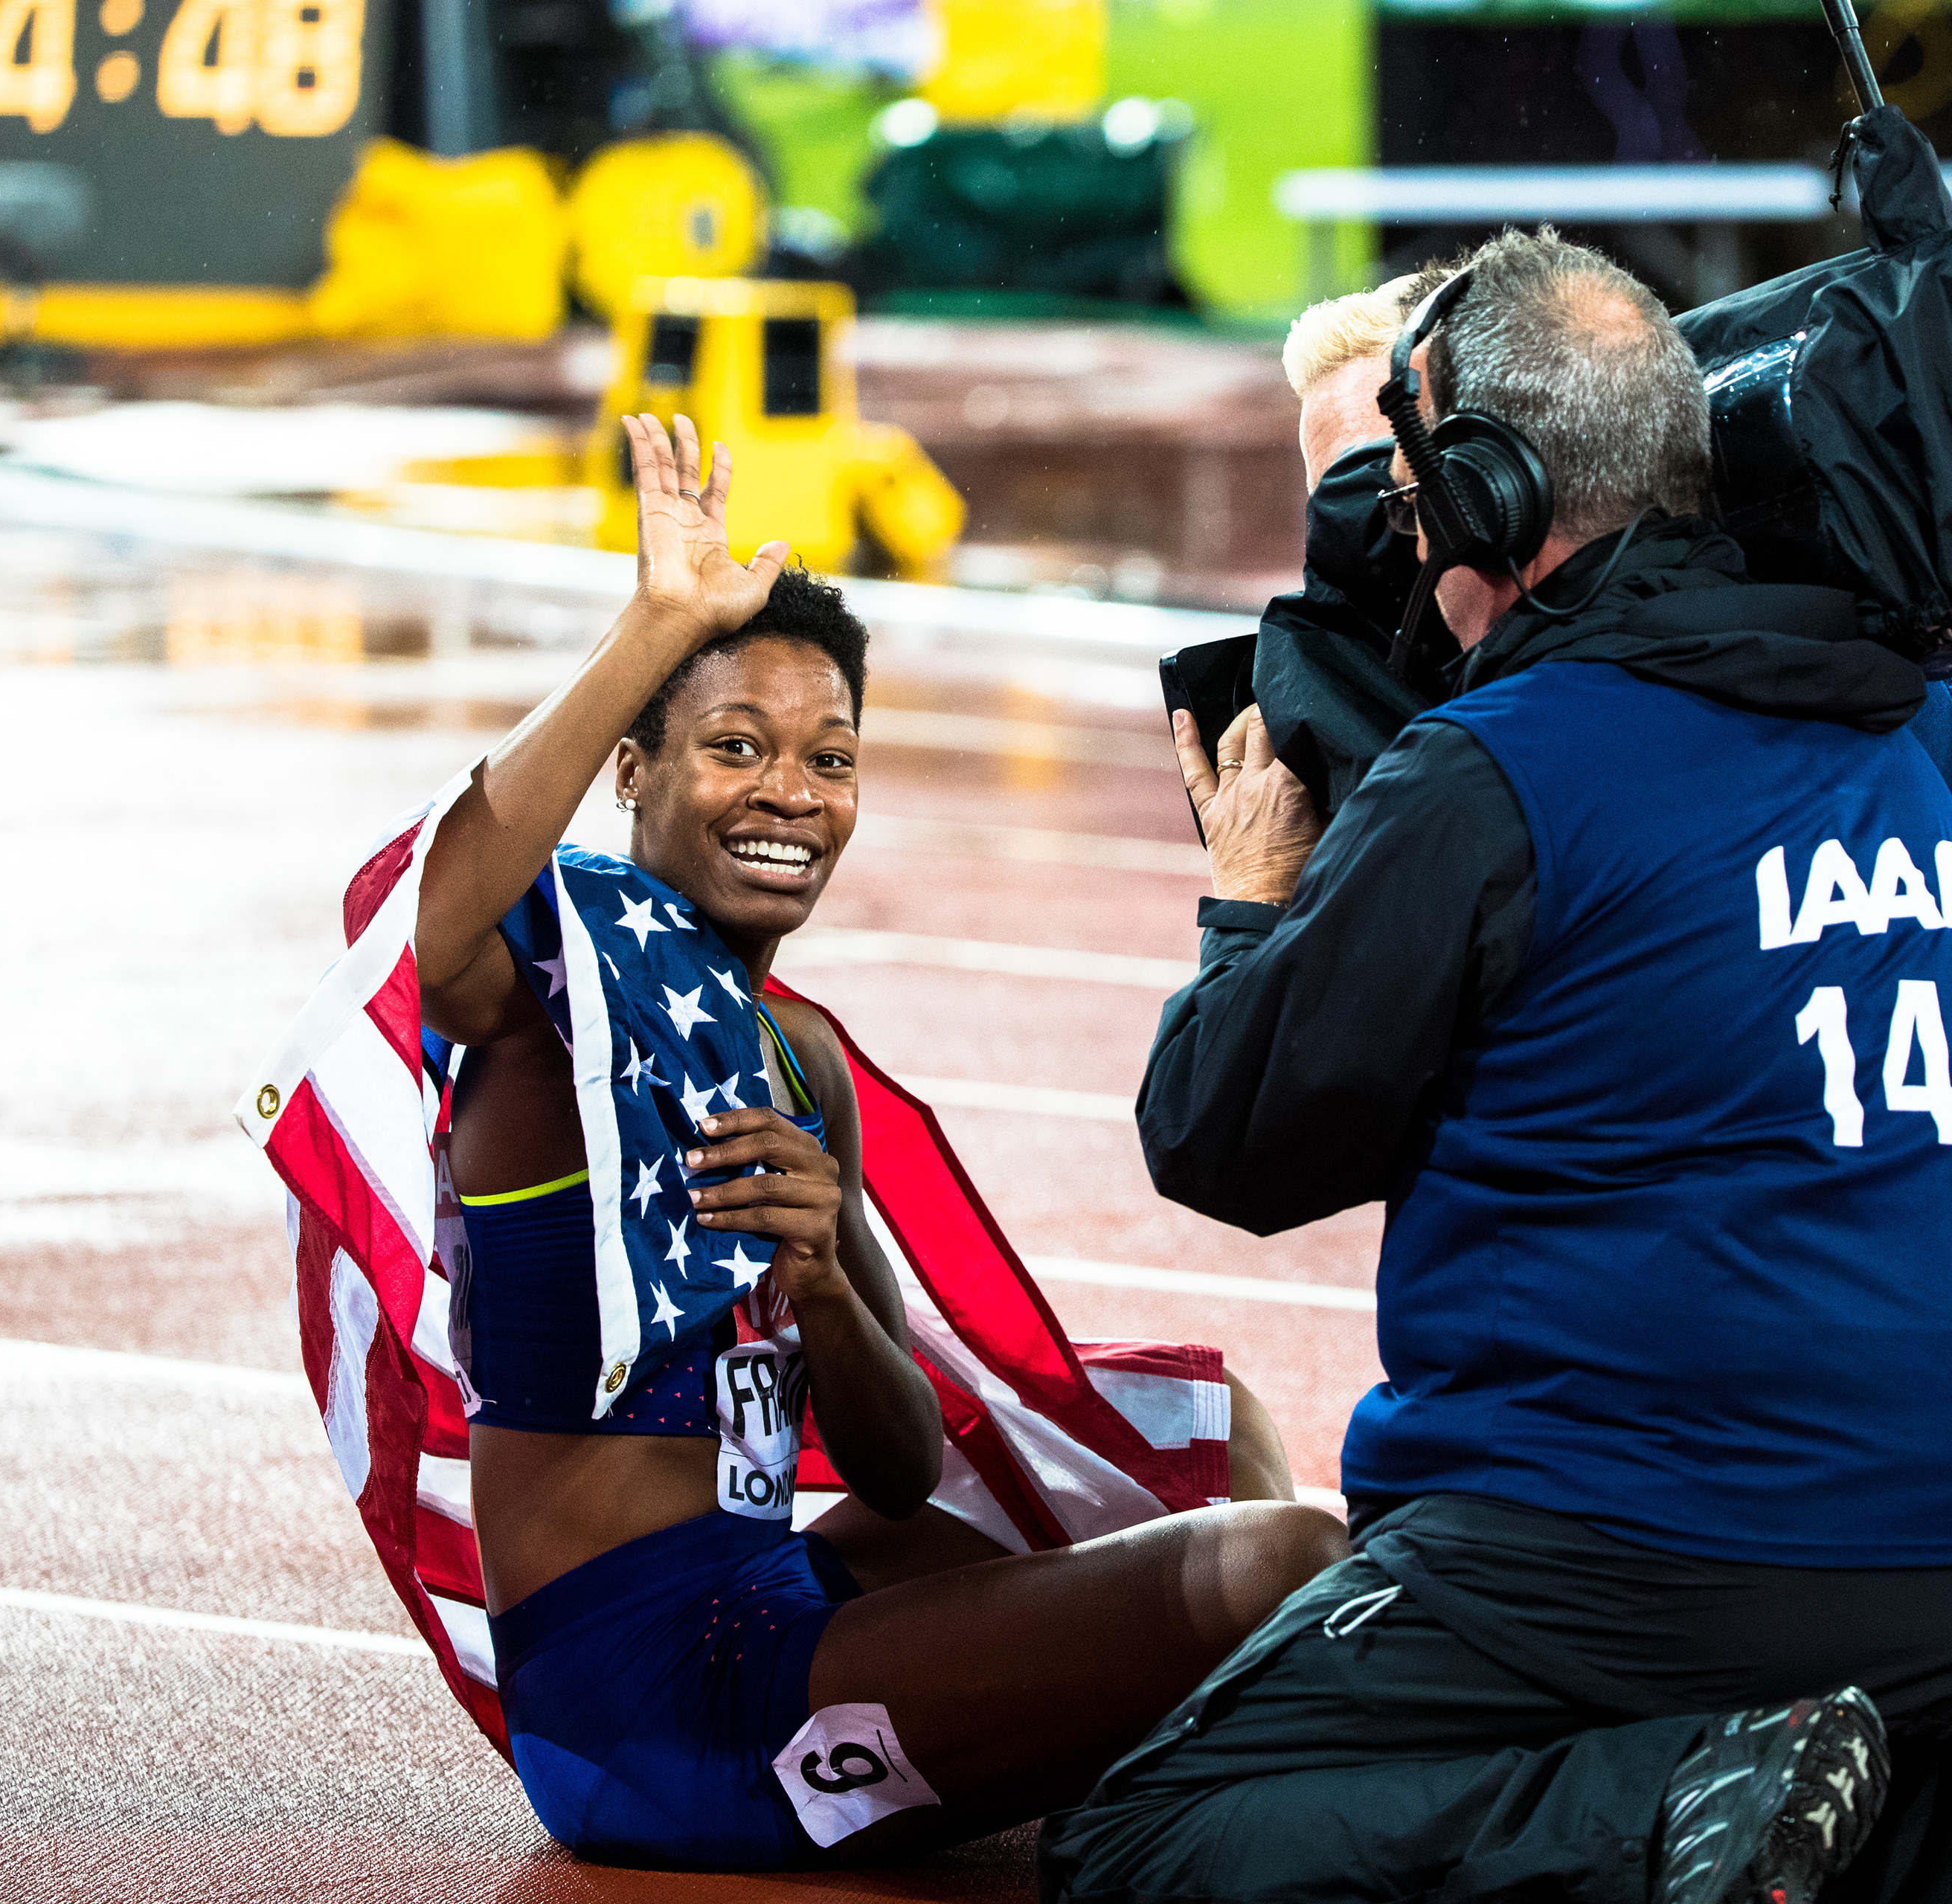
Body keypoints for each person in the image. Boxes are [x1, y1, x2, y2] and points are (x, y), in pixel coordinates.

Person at [1042, 232, 1952, 1904]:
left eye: (1402, 495)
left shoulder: (1501, 768)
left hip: (1659, 1546)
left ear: (1485, 496)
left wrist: (1251, 899)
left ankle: (1681, 1800)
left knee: (1139, 1837)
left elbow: (1222, 1136)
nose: (1384, 549)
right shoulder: (1892, 738)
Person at [1277, 268, 1952, 1598]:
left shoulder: (1822, 592)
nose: (1398, 542)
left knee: (1799, 1447)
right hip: (1931, 1133)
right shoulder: (1588, 663)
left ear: (1504, 464)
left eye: (1407, 490)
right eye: (1353, 516)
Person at [412, 410, 1346, 1869]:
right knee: (1291, 1565)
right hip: (651, 1719)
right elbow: (427, 926)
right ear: (633, 771)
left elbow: (902, 1462)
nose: (792, 792)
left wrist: (827, 1278)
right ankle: (1195, 1825)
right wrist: (652, 622)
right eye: (735, 745)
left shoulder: (801, 1057)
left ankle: (1167, 1785)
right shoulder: (548, 1019)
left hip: (780, 1602)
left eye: (829, 757)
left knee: (1214, 1433)